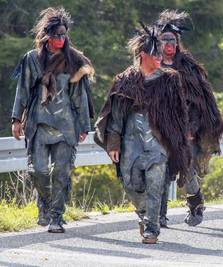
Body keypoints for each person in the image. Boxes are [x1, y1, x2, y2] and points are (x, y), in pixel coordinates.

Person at [94, 22, 191, 244]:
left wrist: (181, 139)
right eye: (155, 54)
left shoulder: (170, 79)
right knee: (131, 184)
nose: (160, 57)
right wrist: (113, 144)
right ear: (142, 54)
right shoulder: (125, 80)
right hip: (131, 143)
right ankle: (144, 213)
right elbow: (116, 116)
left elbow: (179, 112)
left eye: (160, 54)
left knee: (156, 185)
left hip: (160, 142)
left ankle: (151, 228)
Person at [11, 7, 94, 233]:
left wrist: (84, 125)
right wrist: (16, 119)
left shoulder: (74, 60)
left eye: (63, 35)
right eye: (56, 35)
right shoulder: (32, 59)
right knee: (38, 171)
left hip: (66, 126)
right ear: (47, 35)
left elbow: (81, 95)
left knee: (61, 173)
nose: (60, 39)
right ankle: (44, 205)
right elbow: (23, 90)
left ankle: (56, 216)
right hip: (38, 125)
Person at [155, 10, 223, 227]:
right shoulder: (151, 64)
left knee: (187, 169)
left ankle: (195, 202)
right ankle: (159, 215)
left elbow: (199, 102)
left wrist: (191, 128)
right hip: (159, 129)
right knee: (162, 171)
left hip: (186, 129)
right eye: (165, 40)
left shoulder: (187, 67)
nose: (169, 45)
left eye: (172, 41)